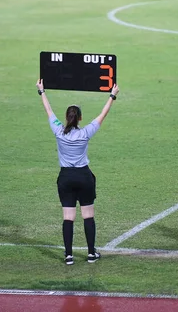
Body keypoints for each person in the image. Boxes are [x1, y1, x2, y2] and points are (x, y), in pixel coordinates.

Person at [36, 79, 119, 265]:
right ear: (80, 118)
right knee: (88, 214)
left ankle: (68, 256)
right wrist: (112, 96)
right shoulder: (85, 133)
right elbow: (102, 115)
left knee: (68, 217)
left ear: (66, 118)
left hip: (65, 177)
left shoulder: (58, 130)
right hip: (83, 176)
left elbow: (49, 111)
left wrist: (42, 91)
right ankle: (91, 253)